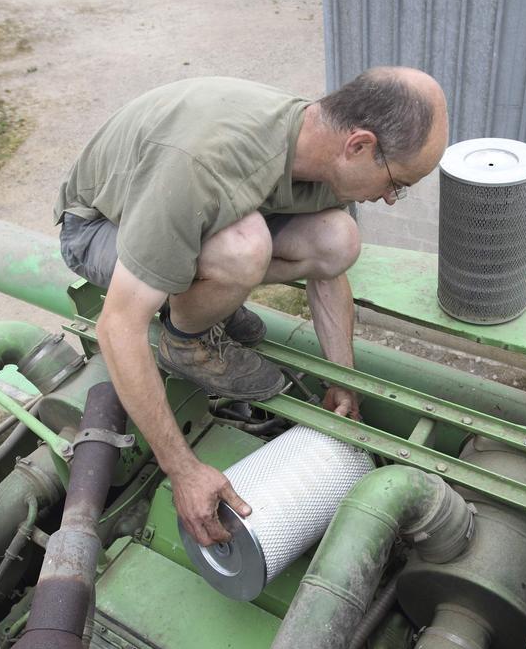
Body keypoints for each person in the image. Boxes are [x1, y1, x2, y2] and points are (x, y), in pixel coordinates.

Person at [54, 67, 448, 546]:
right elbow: (117, 325)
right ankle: (188, 339)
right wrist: (183, 470)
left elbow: (328, 276)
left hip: (189, 211)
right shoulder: (204, 165)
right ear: (359, 146)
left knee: (338, 240)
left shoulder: (324, 147)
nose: (390, 198)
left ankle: (208, 298)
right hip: (101, 225)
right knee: (244, 247)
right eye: (397, 183)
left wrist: (341, 380)